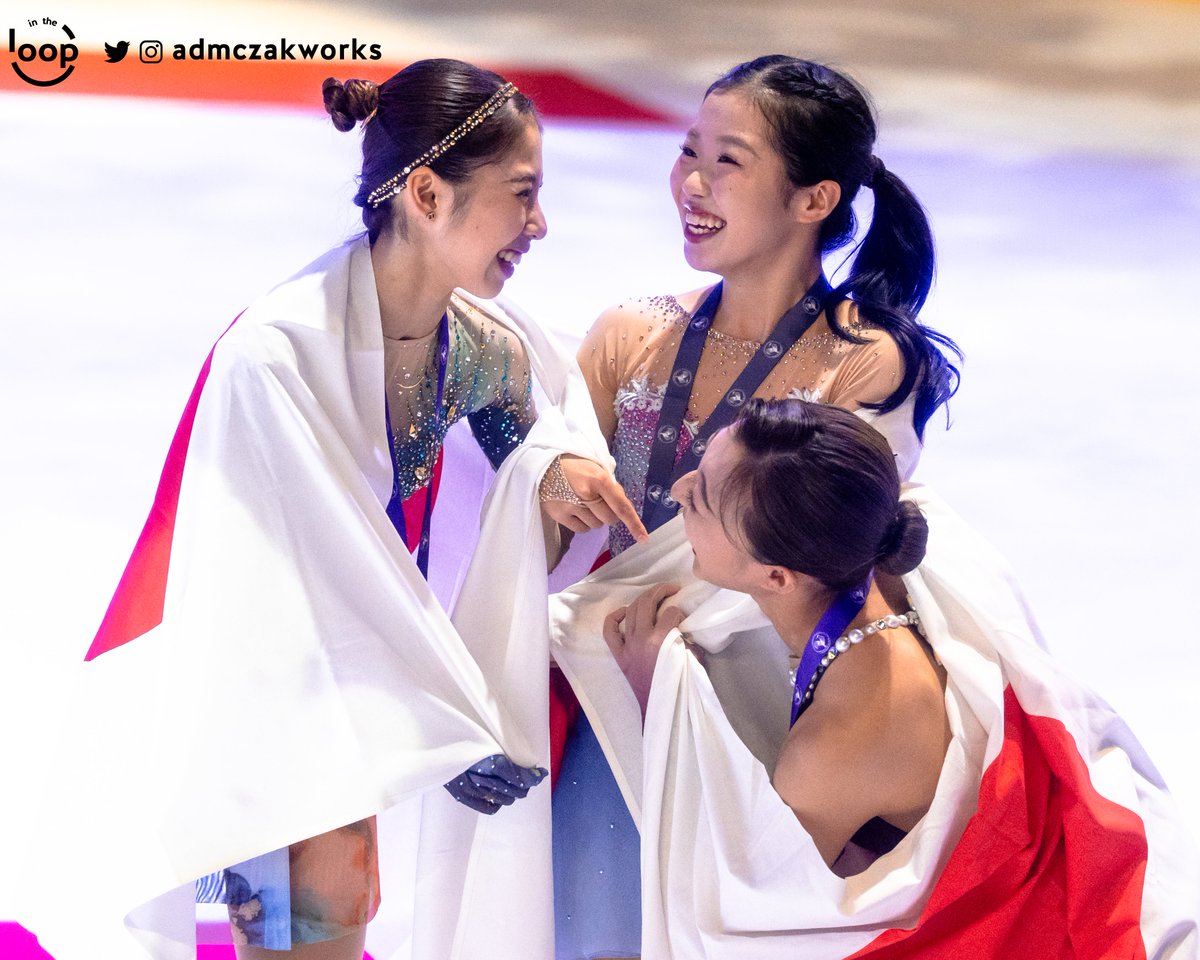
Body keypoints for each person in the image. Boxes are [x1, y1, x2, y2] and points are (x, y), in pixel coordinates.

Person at [13, 59, 642, 960]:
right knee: (309, 907)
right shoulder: (279, 353)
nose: (538, 225)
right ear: (426, 192)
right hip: (257, 677)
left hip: (347, 678)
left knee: (338, 905)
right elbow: (315, 564)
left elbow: (537, 430)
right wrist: (454, 721)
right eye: (520, 195)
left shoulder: (479, 350)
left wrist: (552, 469)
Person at [551, 54, 959, 958]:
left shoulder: (866, 363)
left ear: (814, 198)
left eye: (727, 161)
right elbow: (544, 539)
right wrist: (542, 476)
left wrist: (663, 671)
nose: (691, 182)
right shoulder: (631, 334)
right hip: (604, 685)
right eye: (688, 151)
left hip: (768, 714)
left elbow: (818, 547)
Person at [558, 398, 1199, 957]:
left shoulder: (831, 751)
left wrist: (654, 696)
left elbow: (740, 919)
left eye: (699, 499)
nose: (679, 492)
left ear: (777, 578)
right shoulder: (877, 565)